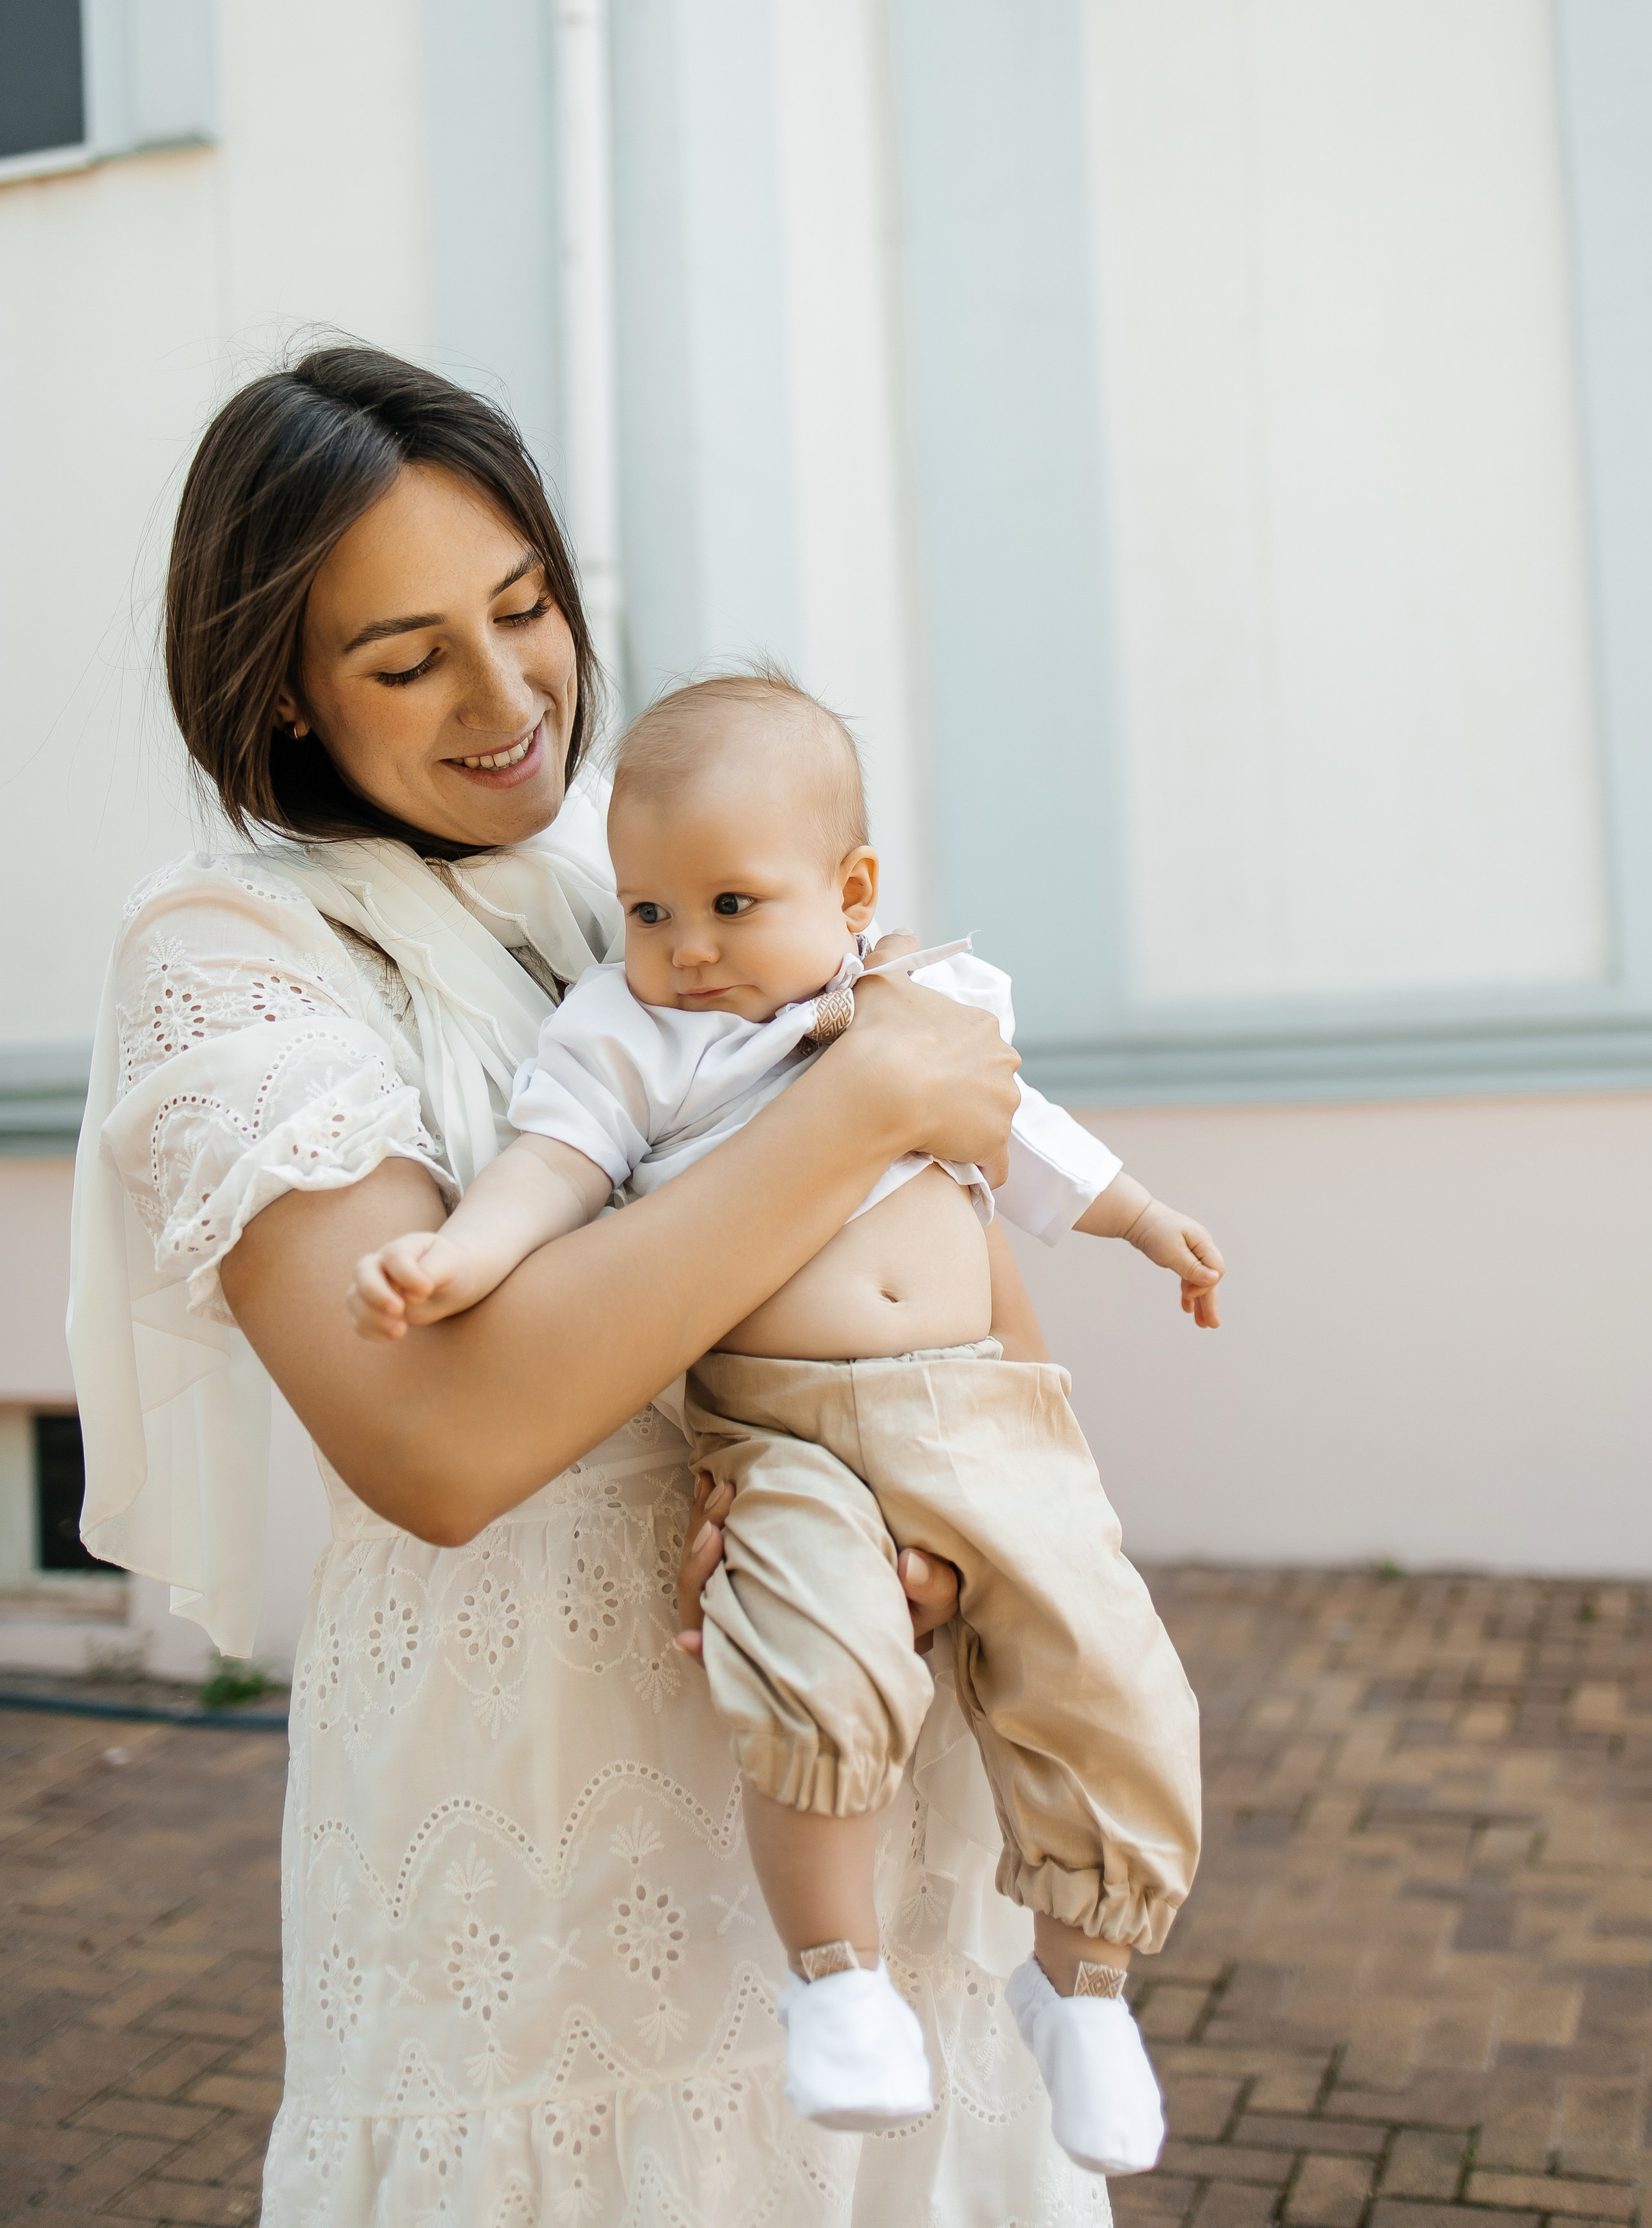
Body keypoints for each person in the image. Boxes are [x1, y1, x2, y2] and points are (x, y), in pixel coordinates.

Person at [67, 347, 1118, 2226]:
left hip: (840, 1745)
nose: (508, 700)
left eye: (527, 608)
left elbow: (934, 1236)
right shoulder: (236, 954)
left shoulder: (627, 894)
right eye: (406, 661)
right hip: (536, 1833)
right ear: (283, 698)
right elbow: (439, 1436)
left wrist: (964, 1530)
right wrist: (866, 1084)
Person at [348, 669, 1213, 2177]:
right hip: (786, 1431)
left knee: (1107, 1674)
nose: (684, 953)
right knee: (813, 1654)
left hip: (980, 1412)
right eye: (646, 912)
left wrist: (1144, 1220)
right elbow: (550, 1172)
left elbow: (1022, 1142)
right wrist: (456, 1256)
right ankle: (841, 1979)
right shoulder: (627, 1034)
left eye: (730, 906)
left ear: (850, 887)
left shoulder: (929, 1001)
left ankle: (1081, 1986)